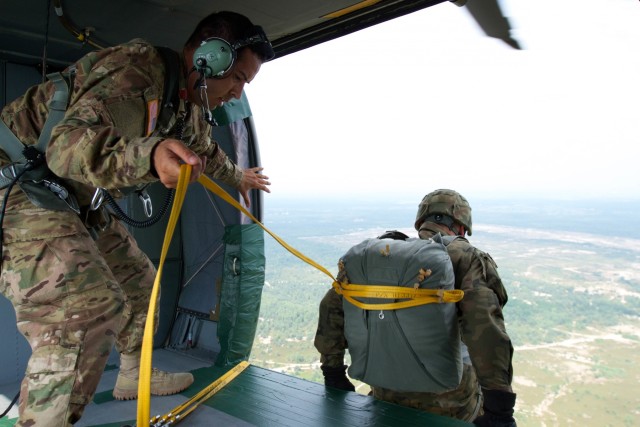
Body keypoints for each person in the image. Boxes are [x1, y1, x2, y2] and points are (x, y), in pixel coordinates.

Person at [0, 10, 274, 426]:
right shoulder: (136, 72)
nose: (237, 93)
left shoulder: (186, 105)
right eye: (236, 77)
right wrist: (150, 155)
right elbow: (66, 147)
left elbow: (206, 151)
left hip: (68, 197)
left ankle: (133, 374)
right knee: (85, 312)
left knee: (140, 281)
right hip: (16, 184)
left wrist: (240, 177)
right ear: (208, 58)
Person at [314, 189, 517, 427]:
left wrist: (333, 371)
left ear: (421, 221)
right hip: (452, 403)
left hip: (384, 392)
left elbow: (332, 308)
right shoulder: (465, 257)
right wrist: (500, 410)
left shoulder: (380, 255)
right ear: (462, 228)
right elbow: (485, 328)